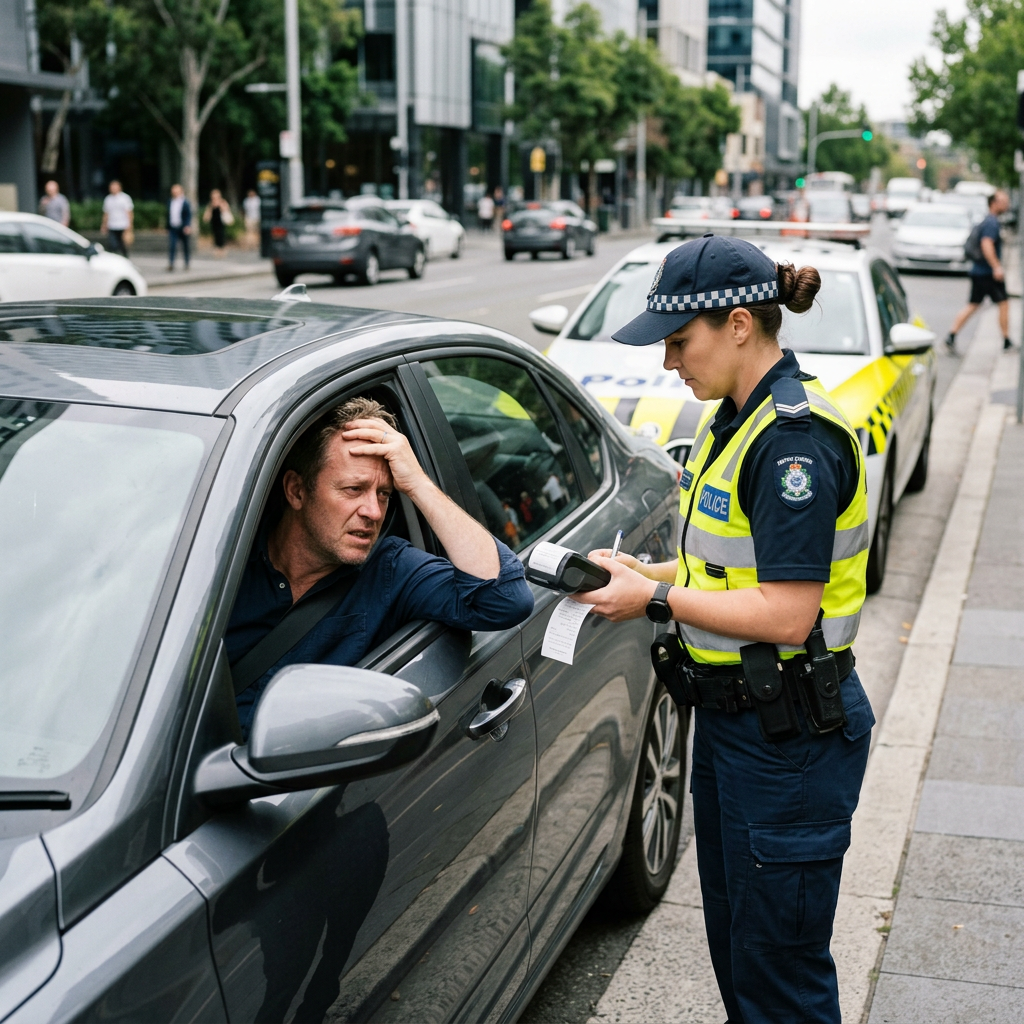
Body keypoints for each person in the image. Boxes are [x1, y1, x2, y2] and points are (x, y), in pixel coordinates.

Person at [575, 234, 875, 1024]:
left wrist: (653, 604)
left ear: (739, 324)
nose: (669, 362)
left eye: (679, 341)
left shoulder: (791, 442)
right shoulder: (733, 421)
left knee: (780, 976)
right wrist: (647, 576)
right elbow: (724, 573)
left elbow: (785, 611)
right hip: (740, 727)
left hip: (790, 744)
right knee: (742, 956)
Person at [226, 396, 534, 737]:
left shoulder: (391, 571)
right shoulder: (224, 560)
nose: (373, 512)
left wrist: (417, 484)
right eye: (354, 489)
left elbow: (505, 600)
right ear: (297, 491)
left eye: (385, 494)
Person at [947, 189, 1013, 353]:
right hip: (988, 273)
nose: (1007, 205)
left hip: (981, 272)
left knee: (974, 305)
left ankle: (951, 336)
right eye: (1004, 202)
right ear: (994, 203)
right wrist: (996, 266)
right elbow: (986, 244)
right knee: (1002, 304)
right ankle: (1006, 341)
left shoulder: (987, 220)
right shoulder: (991, 223)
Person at [101, 180, 134, 256]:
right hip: (112, 225)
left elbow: (129, 212)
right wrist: (104, 225)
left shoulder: (125, 198)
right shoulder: (108, 199)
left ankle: (125, 258)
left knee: (123, 245)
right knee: (113, 245)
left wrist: (130, 225)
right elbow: (106, 213)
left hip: (123, 225)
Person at [166, 183, 192, 271]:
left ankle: (187, 263)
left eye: (176, 191)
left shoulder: (185, 202)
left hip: (183, 227)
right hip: (173, 227)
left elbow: (188, 215)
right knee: (172, 246)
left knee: (185, 246)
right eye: (173, 191)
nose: (174, 193)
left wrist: (187, 226)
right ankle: (171, 263)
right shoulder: (170, 201)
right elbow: (168, 215)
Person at [203, 189, 233, 256]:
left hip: (221, 222)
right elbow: (207, 214)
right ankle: (217, 249)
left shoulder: (222, 202)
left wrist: (220, 206)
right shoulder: (210, 204)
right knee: (215, 236)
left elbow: (226, 210)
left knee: (221, 235)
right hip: (214, 222)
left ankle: (222, 249)